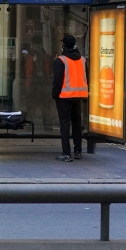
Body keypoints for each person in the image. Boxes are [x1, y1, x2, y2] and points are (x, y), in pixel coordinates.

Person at [53, 34, 88, 162]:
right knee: (77, 124)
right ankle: (78, 151)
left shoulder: (60, 60)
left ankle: (66, 153)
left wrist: (55, 95)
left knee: (65, 124)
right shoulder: (83, 60)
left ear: (63, 46)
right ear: (74, 45)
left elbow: (57, 81)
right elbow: (86, 77)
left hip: (64, 96)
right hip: (78, 96)